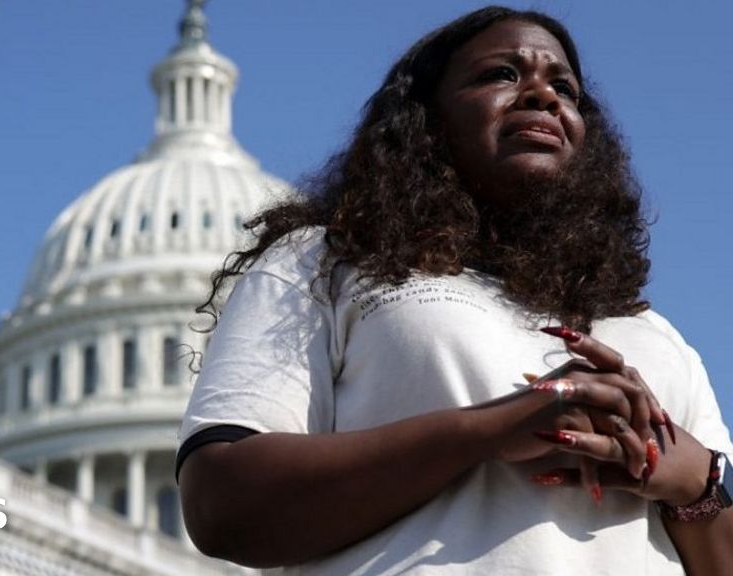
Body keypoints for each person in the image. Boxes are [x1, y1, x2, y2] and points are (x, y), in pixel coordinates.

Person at [176, 6, 733, 575]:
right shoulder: (326, 261)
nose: (543, 95)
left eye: (564, 88)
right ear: (427, 120)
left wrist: (700, 482)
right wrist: (495, 427)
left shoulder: (650, 334)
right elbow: (221, 505)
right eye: (502, 74)